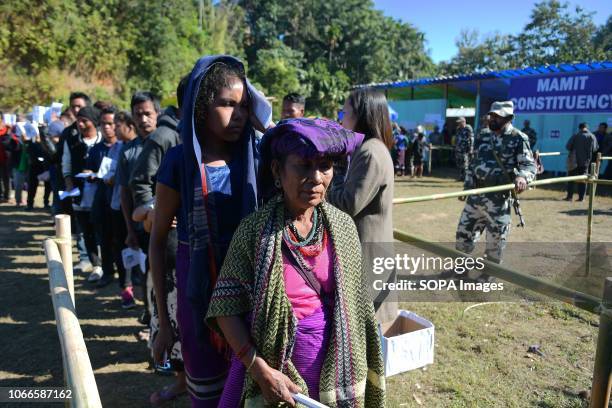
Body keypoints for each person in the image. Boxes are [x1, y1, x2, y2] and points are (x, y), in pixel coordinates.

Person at [206, 118, 385, 407]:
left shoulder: (343, 227)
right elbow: (225, 309)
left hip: (337, 375)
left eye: (325, 166)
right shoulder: (254, 232)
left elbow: (357, 310)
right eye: (303, 165)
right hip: (277, 379)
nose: (316, 177)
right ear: (277, 170)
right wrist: (261, 371)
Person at [171, 55, 272, 406]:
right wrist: (163, 316)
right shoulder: (179, 161)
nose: (239, 114)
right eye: (227, 104)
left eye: (244, 106)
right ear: (200, 106)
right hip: (197, 286)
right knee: (207, 382)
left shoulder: (255, 160)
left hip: (247, 284)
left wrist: (265, 122)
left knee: (249, 377)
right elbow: (156, 244)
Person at [326, 88, 396, 323]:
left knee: (367, 329)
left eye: (344, 112)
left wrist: (320, 191)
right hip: (366, 251)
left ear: (361, 115)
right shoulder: (368, 148)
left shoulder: (370, 152)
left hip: (369, 253)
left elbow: (349, 203)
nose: (341, 118)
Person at [454, 101, 536, 282]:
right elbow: (473, 164)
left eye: (497, 117)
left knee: (495, 242)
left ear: (508, 118)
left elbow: (530, 166)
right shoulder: (483, 135)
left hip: (498, 201)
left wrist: (522, 177)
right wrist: (467, 187)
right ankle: (460, 271)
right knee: (463, 235)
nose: (492, 119)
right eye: (492, 115)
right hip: (476, 196)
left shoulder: (518, 138)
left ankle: (488, 276)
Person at [63, 106, 103, 281]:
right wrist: (69, 184)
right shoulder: (72, 142)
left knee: (102, 231)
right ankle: (96, 265)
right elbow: (66, 165)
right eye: (78, 120)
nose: (80, 124)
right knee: (86, 231)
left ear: (93, 122)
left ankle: (107, 264)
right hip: (79, 194)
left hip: (101, 195)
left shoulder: (102, 142)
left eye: (84, 120)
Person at [113, 111, 138, 308]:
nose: (113, 129)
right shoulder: (125, 150)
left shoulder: (146, 148)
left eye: (116, 125)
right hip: (125, 212)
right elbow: (123, 191)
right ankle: (128, 286)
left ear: (129, 126)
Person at [565, 123, 598, 202]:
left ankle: (569, 197)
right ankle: (581, 198)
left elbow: (568, 147)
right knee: (583, 180)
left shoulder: (575, 135)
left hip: (574, 161)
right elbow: (595, 148)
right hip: (585, 162)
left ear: (579, 128)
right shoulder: (592, 136)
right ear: (587, 128)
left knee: (571, 179)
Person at [454, 117, 474, 182]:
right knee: (459, 164)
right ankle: (461, 177)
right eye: (458, 122)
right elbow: (456, 139)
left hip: (465, 150)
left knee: (465, 165)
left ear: (463, 122)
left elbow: (471, 139)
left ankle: (466, 178)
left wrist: (471, 148)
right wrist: (455, 146)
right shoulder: (458, 129)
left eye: (460, 122)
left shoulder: (468, 128)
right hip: (458, 149)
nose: (458, 124)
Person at [0, 113, 11, 202]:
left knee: (6, 178)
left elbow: (8, 143)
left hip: (6, 159)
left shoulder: (7, 129)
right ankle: (1, 195)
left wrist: (8, 132)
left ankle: (7, 196)